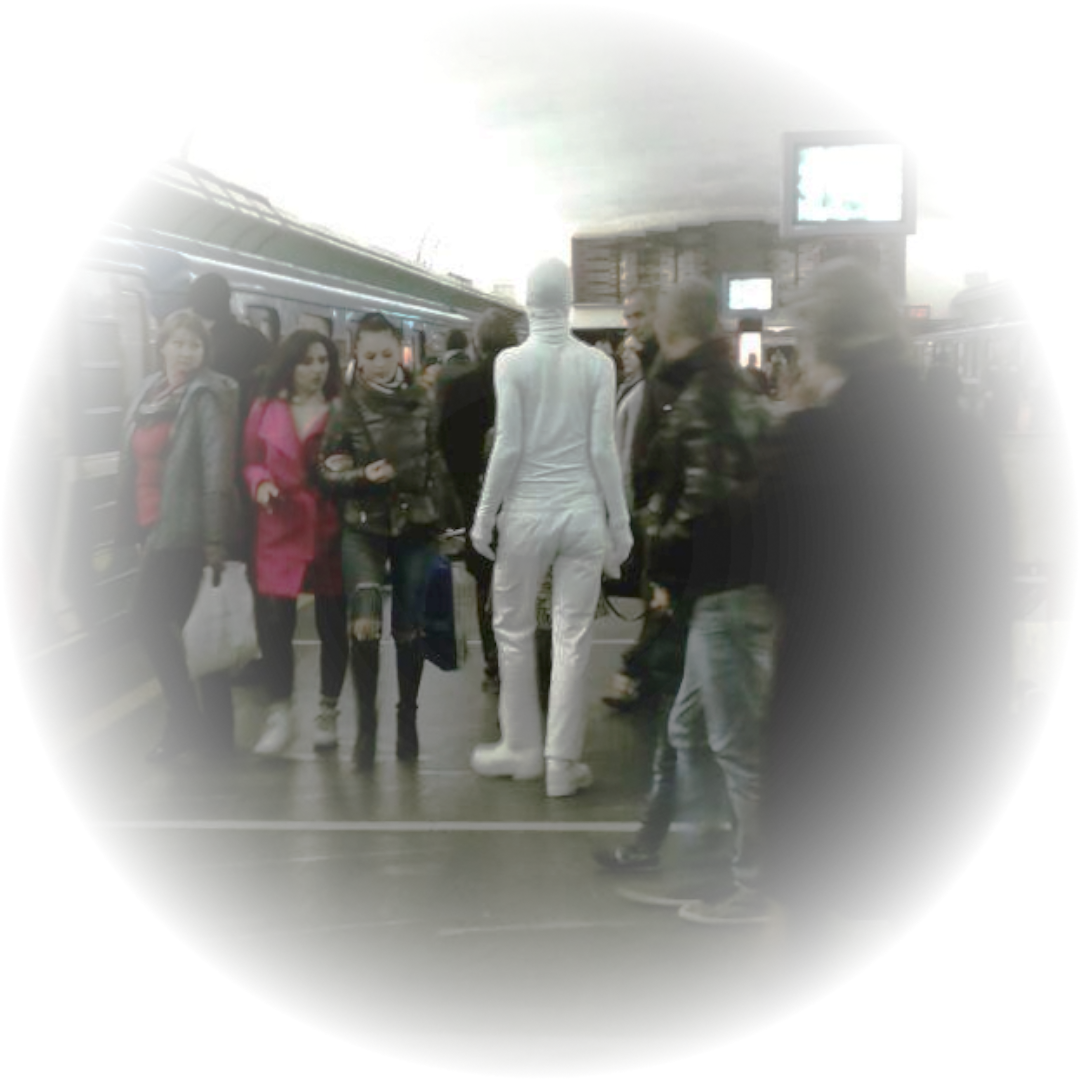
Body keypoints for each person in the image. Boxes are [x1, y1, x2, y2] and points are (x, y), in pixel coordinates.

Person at [750, 259, 1016, 943]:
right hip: (940, 720)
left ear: (819, 343)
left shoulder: (815, 438)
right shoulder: (963, 433)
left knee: (820, 935)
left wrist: (791, 426)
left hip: (834, 720)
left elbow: (771, 565)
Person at [600, 281, 774, 891]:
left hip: (718, 588)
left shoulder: (702, 396)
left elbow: (702, 502)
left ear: (670, 329)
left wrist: (665, 569)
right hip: (723, 588)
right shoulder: (731, 386)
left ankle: (754, 876)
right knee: (685, 726)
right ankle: (660, 846)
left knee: (730, 741)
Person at [470, 258, 632, 797]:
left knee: (513, 630)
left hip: (525, 515)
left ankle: (520, 749)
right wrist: (619, 522)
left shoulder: (510, 363)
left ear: (527, 303)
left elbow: (509, 445)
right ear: (569, 302)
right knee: (573, 637)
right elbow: (603, 449)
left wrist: (484, 514)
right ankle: (562, 762)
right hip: (583, 515)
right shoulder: (599, 364)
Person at [316, 312, 459, 770]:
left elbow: (436, 462)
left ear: (401, 351)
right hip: (363, 527)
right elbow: (325, 472)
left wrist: (451, 521)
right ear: (357, 356)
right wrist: (363, 476)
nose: (379, 364)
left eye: (386, 354)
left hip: (416, 526)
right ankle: (366, 725)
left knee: (409, 628)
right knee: (364, 624)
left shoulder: (423, 401)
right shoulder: (345, 408)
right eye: (370, 355)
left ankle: (407, 719)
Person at [116, 310, 239, 762]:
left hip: (186, 530)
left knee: (147, 619)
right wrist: (132, 527)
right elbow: (130, 463)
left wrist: (214, 539)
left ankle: (187, 720)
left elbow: (215, 469)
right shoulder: (148, 391)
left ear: (205, 351)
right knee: (196, 629)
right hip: (152, 526)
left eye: (195, 345)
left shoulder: (206, 394)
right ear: (162, 345)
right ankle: (215, 733)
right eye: (179, 343)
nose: (186, 353)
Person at [242, 330, 349, 756]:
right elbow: (250, 461)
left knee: (332, 622)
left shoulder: (341, 411)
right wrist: (261, 484)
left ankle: (328, 711)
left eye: (323, 361)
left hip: (329, 524)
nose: (317, 370)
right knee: (274, 622)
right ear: (290, 365)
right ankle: (279, 712)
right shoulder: (265, 408)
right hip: (279, 524)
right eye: (307, 362)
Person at [436, 308, 518, 692]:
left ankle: (495, 662)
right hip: (529, 500)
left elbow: (447, 446)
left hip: (480, 501)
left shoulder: (462, 388)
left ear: (477, 344)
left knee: (488, 582)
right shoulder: (532, 382)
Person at [188, 272, 273, 422]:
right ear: (227, 300)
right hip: (248, 421)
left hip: (211, 419)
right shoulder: (255, 338)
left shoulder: (198, 345)